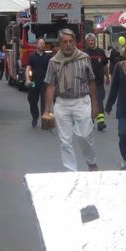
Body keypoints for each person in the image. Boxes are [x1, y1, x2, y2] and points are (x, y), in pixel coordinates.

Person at [44, 28, 100, 171]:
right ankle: (71, 171)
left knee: (84, 136)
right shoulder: (53, 62)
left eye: (71, 41)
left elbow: (91, 81)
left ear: (75, 42)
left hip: (82, 101)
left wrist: (95, 104)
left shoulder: (84, 58)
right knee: (65, 141)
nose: (68, 44)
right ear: (60, 44)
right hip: (62, 103)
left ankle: (91, 162)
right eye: (65, 42)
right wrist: (46, 110)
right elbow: (50, 86)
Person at [26, 38, 51, 127]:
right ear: (36, 45)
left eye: (43, 43)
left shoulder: (48, 57)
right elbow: (28, 68)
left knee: (44, 101)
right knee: (32, 100)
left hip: (44, 82)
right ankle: (35, 116)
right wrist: (28, 79)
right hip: (34, 82)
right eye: (40, 43)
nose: (42, 45)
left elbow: (52, 69)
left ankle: (44, 120)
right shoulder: (32, 56)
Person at [85, 33, 108, 124]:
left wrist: (107, 76)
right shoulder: (84, 53)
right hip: (87, 82)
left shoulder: (101, 52)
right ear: (86, 42)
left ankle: (101, 121)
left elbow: (105, 65)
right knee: (89, 101)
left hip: (99, 82)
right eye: (89, 41)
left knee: (99, 100)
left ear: (95, 41)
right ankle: (90, 120)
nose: (91, 42)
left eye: (92, 40)